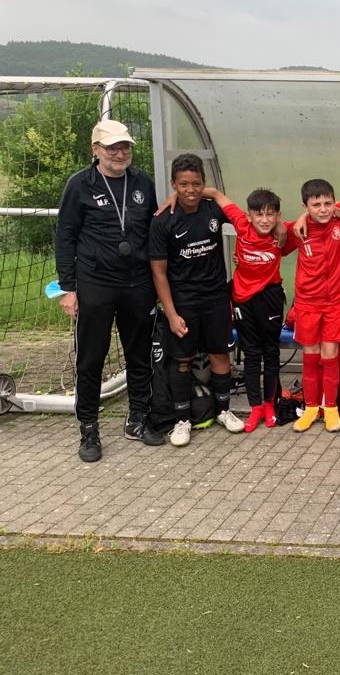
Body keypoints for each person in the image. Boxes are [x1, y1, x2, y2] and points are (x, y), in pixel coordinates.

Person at [55, 119, 161, 461]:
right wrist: (68, 289)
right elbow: (65, 237)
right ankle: (89, 428)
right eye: (112, 147)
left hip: (138, 283)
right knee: (91, 358)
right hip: (95, 283)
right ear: (96, 149)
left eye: (125, 146)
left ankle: (138, 419)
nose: (120, 153)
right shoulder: (79, 185)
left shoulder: (142, 182)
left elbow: (155, 229)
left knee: (139, 354)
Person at [149, 154, 246, 447]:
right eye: (183, 185)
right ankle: (182, 420)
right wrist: (171, 313)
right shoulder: (162, 221)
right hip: (184, 302)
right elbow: (159, 272)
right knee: (182, 360)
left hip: (216, 298)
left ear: (204, 183)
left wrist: (212, 193)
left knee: (220, 355)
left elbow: (244, 220)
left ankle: (223, 410)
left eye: (196, 184)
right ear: (173, 184)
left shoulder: (213, 209)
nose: (190, 190)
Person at [197, 186, 295, 432]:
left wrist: (282, 227)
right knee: (251, 353)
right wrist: (175, 196)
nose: (264, 220)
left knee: (271, 352)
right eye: (258, 214)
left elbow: (311, 220)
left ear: (278, 216)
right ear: (248, 215)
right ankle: (256, 408)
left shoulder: (282, 233)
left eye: (270, 214)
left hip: (270, 298)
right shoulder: (241, 224)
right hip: (243, 300)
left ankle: (270, 405)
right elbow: (216, 194)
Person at [289, 179, 340, 433]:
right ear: (305, 206)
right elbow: (272, 239)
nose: (323, 209)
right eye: (316, 205)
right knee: (310, 357)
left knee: (330, 355)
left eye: (328, 203)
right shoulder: (298, 230)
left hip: (336, 304)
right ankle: (310, 408)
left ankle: (331, 409)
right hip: (307, 304)